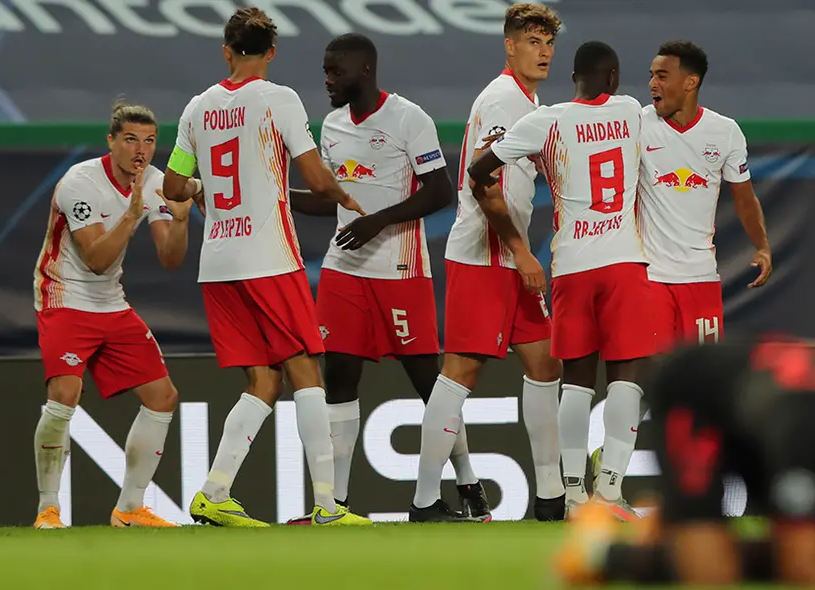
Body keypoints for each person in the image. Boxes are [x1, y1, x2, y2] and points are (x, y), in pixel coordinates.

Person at [162, 7, 370, 527]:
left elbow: (170, 188)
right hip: (269, 256)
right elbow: (316, 177)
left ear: (226, 51)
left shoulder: (197, 108)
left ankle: (213, 491)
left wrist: (201, 187)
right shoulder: (279, 99)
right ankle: (326, 506)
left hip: (219, 262)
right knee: (306, 371)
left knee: (264, 381)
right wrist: (343, 193)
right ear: (271, 53)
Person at [556, 337, 815, 587]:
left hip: (760, 411)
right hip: (698, 395)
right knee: (711, 573)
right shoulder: (810, 435)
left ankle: (670, 523)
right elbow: (805, 572)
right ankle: (599, 552)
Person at [286, 32, 473, 519]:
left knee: (430, 384)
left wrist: (378, 219)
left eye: (335, 71)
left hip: (400, 270)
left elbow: (439, 192)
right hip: (344, 270)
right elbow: (332, 200)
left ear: (364, 70)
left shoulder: (410, 119)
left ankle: (452, 489)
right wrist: (277, 198)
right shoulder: (329, 125)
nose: (327, 80)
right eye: (325, 70)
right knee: (341, 378)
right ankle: (335, 504)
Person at [469, 41, 652, 521]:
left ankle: (572, 497)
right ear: (612, 78)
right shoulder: (631, 111)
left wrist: (502, 212)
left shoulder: (544, 121)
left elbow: (478, 168)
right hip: (623, 261)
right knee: (627, 379)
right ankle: (610, 494)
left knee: (576, 382)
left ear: (573, 76)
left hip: (571, 264)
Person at [589, 39, 772, 491]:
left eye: (662, 76)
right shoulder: (635, 123)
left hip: (701, 282)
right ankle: (610, 480)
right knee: (638, 376)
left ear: (690, 83)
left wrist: (763, 246)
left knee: (705, 385)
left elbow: (744, 198)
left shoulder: (725, 132)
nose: (651, 84)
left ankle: (703, 484)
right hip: (648, 277)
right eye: (650, 75)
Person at [411, 1, 566, 524]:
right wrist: (522, 250)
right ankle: (425, 501)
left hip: (508, 257)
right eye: (532, 42)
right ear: (509, 44)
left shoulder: (527, 100)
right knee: (460, 371)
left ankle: (551, 497)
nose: (542, 52)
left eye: (548, 44)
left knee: (545, 364)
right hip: (484, 254)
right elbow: (484, 185)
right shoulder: (504, 99)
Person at [32, 102, 196, 529]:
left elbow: (170, 258)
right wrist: (133, 212)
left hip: (110, 302)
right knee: (65, 395)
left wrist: (179, 221)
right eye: (130, 140)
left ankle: (129, 508)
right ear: (111, 141)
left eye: (149, 141)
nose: (140, 151)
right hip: (64, 295)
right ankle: (47, 509)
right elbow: (97, 259)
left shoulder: (157, 181)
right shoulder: (79, 183)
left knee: (163, 397)